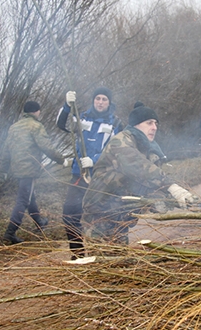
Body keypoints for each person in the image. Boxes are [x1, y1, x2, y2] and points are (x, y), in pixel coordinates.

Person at [82, 105, 195, 245]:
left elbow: (144, 184)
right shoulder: (121, 141)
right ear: (135, 125)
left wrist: (162, 200)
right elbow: (137, 166)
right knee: (102, 261)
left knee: (120, 262)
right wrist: (171, 186)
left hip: (121, 217)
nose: (154, 127)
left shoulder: (148, 149)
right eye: (149, 123)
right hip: (100, 216)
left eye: (156, 123)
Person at [56, 87, 124, 259]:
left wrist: (95, 159)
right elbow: (61, 124)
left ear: (109, 102)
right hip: (79, 176)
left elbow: (117, 150)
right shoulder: (81, 118)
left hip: (102, 179)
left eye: (104, 99)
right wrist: (67, 105)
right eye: (98, 99)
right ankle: (78, 255)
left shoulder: (115, 123)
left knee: (99, 219)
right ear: (93, 100)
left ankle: (103, 255)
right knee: (69, 215)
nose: (100, 102)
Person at [0, 101, 66, 244]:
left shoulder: (14, 127)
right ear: (37, 111)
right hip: (28, 170)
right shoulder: (36, 126)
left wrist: (3, 170)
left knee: (29, 196)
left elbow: (6, 150)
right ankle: (10, 233)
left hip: (18, 169)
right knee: (23, 200)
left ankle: (39, 221)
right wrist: (62, 160)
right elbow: (46, 147)